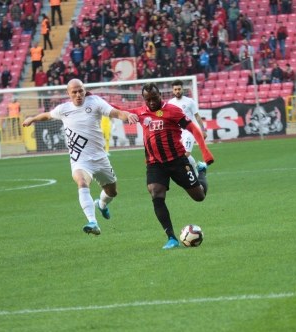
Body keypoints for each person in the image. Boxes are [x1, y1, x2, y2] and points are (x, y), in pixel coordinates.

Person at [22, 79, 138, 234]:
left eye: (80, 91)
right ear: (68, 93)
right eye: (74, 92)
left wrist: (126, 115)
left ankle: (102, 205)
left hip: (99, 158)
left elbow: (114, 112)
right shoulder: (64, 109)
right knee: (82, 182)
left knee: (112, 192)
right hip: (80, 159)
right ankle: (92, 222)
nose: (78, 95)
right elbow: (47, 116)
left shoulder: (95, 102)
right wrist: (33, 119)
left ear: (85, 90)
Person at [126, 83, 214, 249]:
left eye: (154, 98)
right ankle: (171, 238)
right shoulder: (140, 112)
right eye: (148, 99)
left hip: (178, 161)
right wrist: (93, 98)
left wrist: (205, 151)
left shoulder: (173, 110)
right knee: (155, 192)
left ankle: (201, 172)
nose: (151, 102)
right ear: (144, 99)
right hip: (155, 163)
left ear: (160, 95)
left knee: (199, 196)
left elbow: (194, 129)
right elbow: (115, 109)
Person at [168, 79, 207, 175]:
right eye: (175, 89)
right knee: (181, 154)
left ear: (182, 89)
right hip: (177, 133)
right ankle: (199, 167)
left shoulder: (190, 101)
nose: (177, 91)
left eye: (179, 89)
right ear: (173, 91)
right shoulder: (170, 103)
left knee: (186, 154)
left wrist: (203, 130)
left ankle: (186, 174)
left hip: (189, 131)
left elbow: (197, 116)